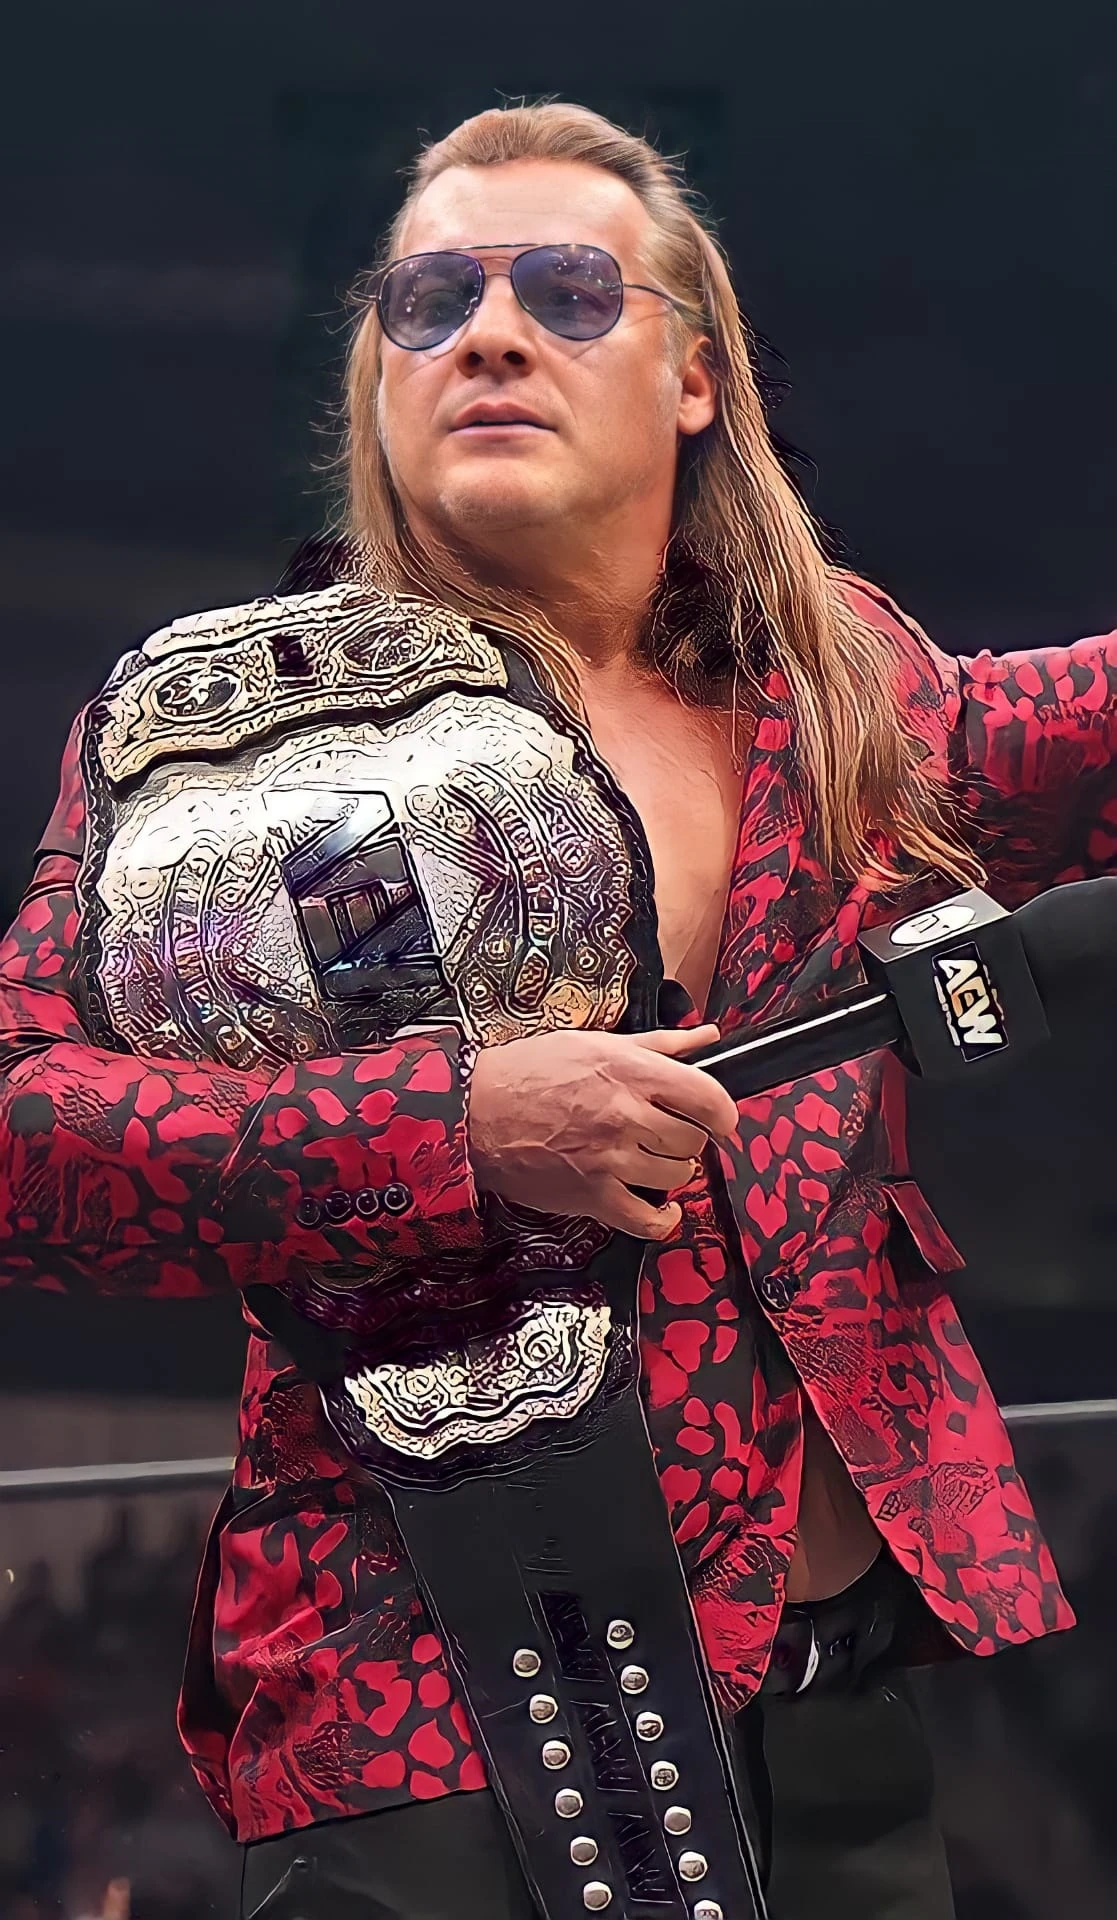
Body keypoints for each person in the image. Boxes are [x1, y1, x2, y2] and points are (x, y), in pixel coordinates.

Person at [0, 98, 1109, 1920]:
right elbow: (24, 1133)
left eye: (567, 291)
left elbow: (1076, 728)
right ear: (377, 371)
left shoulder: (836, 690)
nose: (492, 333)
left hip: (840, 1726)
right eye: (431, 298)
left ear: (694, 374)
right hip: (438, 1725)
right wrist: (456, 1129)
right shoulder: (228, 748)